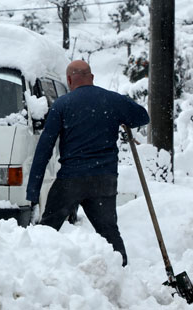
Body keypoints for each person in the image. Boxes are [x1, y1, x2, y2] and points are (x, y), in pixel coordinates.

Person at [26, 60, 149, 266]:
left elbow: (44, 149)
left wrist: (33, 191)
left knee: (46, 230)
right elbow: (142, 117)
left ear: (69, 80)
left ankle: (36, 268)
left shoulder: (62, 105)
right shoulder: (112, 100)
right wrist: (123, 107)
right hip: (104, 180)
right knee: (109, 232)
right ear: (91, 77)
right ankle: (122, 271)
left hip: (70, 181)